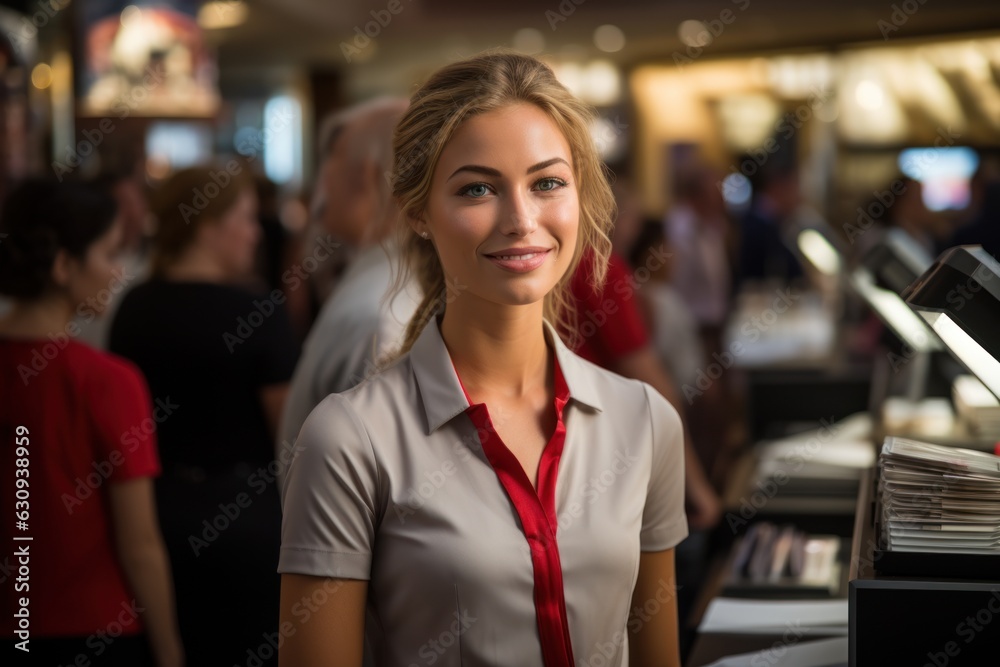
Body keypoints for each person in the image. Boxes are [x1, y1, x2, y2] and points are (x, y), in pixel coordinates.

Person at [278, 51, 688, 667]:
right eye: (477, 188)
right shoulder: (349, 440)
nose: (522, 221)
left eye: (548, 182)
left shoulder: (645, 421)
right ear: (416, 211)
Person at [109, 167, 300, 667]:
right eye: (245, 218)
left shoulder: (134, 307)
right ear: (206, 225)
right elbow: (290, 439)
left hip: (151, 520)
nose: (257, 232)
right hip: (249, 527)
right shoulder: (259, 312)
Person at [0, 180, 182, 667]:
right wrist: (170, 652)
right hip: (96, 629)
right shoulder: (108, 382)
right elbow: (140, 543)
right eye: (108, 253)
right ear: (63, 265)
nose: (118, 272)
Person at [277, 97, 420, 466]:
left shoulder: (380, 312)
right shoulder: (380, 286)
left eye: (333, 158)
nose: (321, 182)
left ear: (370, 175)